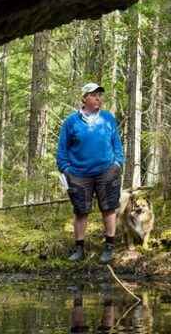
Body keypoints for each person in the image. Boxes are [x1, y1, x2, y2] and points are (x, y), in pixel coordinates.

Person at [57, 82, 125, 264]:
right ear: (85, 98)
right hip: (79, 174)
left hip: (107, 171)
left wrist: (118, 163)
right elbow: (62, 150)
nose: (98, 98)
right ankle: (79, 249)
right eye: (94, 95)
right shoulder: (71, 122)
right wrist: (66, 169)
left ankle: (109, 247)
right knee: (81, 211)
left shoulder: (108, 118)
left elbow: (116, 143)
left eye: (100, 95)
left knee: (109, 209)